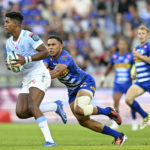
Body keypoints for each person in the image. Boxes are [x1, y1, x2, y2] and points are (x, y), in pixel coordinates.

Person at [43, 35, 127, 146]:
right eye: (48, 45)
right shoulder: (47, 58)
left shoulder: (65, 57)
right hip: (72, 90)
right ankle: (118, 136)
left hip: (85, 83)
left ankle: (108, 111)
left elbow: (57, 72)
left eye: (54, 45)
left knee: (80, 109)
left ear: (61, 46)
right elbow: (42, 69)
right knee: (83, 121)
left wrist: (42, 77)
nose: (50, 47)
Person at [4, 11, 67, 147]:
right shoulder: (9, 43)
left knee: (33, 106)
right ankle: (55, 106)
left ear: (15, 24)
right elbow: (16, 62)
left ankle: (50, 141)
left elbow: (45, 52)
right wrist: (11, 65)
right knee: (21, 112)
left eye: (7, 22)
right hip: (27, 77)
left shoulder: (29, 36)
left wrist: (26, 59)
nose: (5, 25)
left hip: (39, 73)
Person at [100, 37, 138, 130]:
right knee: (116, 102)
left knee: (131, 102)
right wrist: (103, 78)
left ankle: (134, 121)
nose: (121, 46)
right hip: (117, 84)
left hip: (128, 83)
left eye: (123, 44)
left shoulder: (130, 56)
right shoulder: (114, 56)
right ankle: (116, 122)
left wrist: (134, 74)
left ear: (126, 45)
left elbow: (136, 67)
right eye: (120, 44)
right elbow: (109, 67)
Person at [125, 24, 150, 130]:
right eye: (139, 33)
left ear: (148, 35)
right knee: (128, 99)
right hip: (141, 81)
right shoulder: (136, 48)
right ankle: (145, 115)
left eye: (143, 33)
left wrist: (139, 55)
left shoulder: (148, 47)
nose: (141, 36)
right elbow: (137, 63)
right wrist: (134, 72)